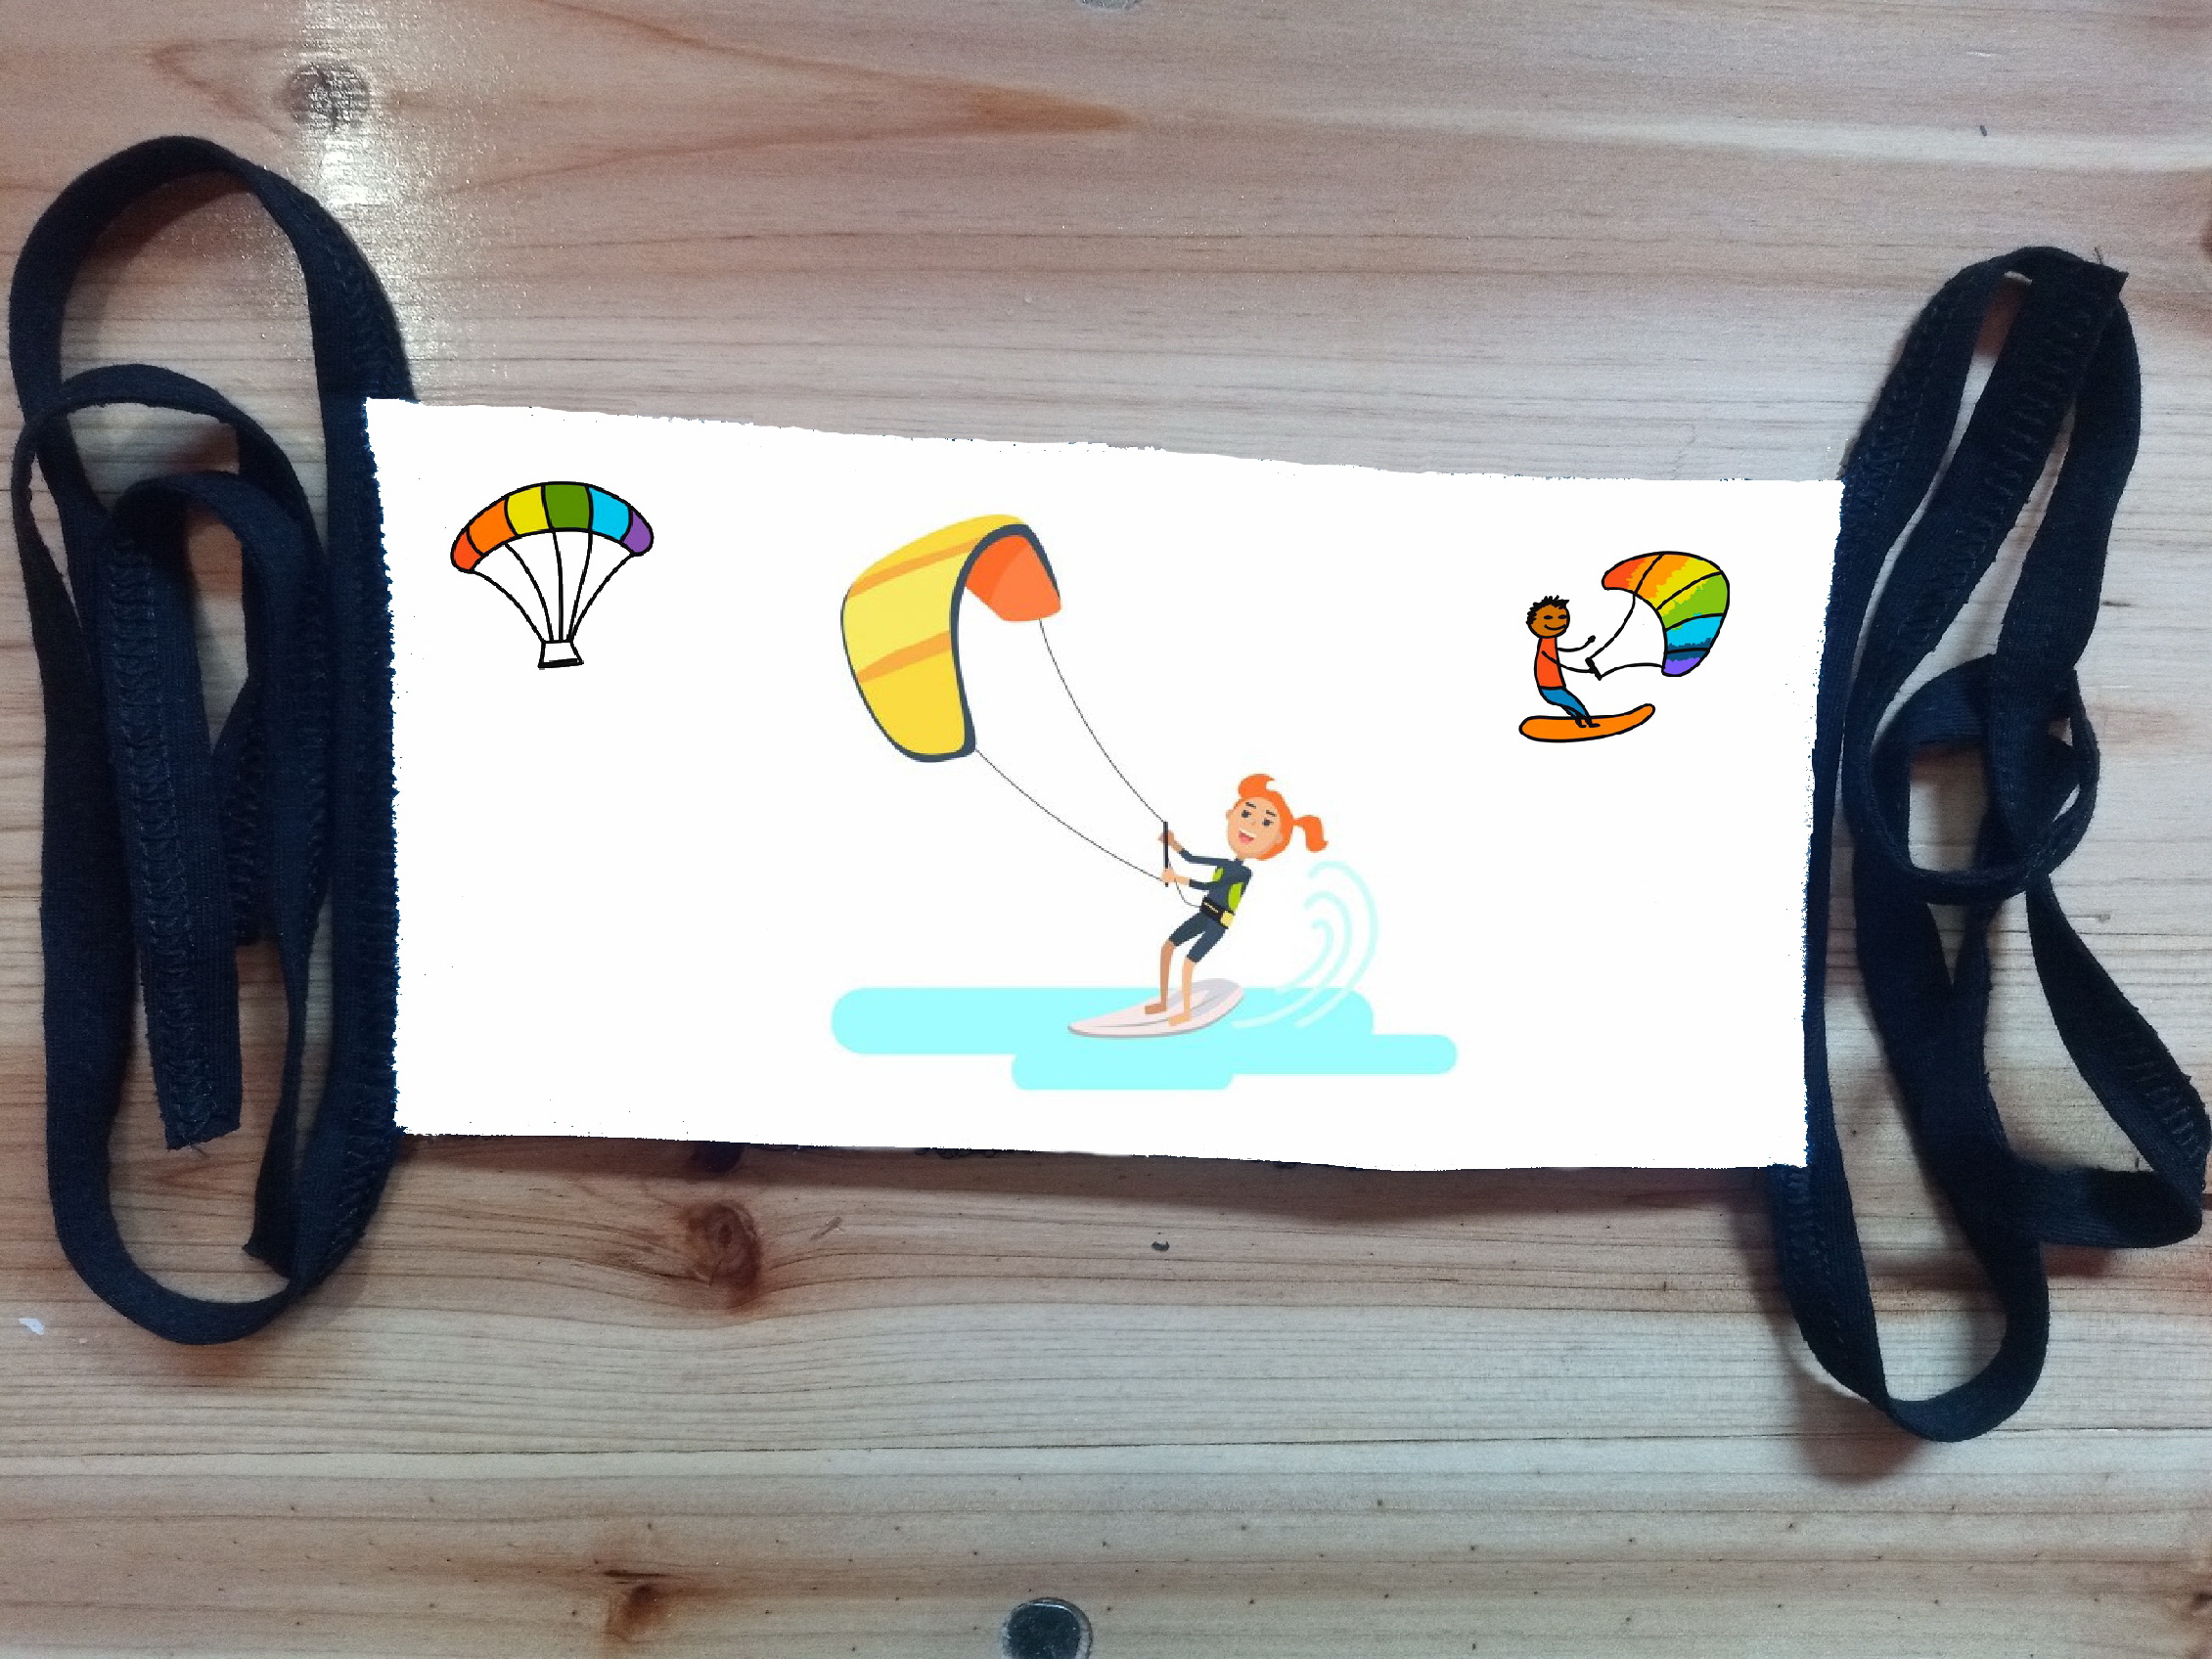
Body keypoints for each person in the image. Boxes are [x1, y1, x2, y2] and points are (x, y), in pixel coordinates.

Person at [1150, 774, 1327, 1025]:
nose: (1251, 824)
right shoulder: (1225, 863)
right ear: (1230, 815)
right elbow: (1191, 858)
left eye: (1266, 823)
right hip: (1204, 913)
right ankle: (1163, 1002)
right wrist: (1173, 844)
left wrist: (1177, 878)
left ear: (1277, 839)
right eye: (1246, 814)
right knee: (1168, 946)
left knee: (1188, 962)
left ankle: (1185, 1012)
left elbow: (1210, 886)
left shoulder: (1244, 873)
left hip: (1217, 923)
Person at [1526, 595, 1603, 727]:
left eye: (1562, 617)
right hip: (1551, 687)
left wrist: (1585, 645)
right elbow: (1559, 664)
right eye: (1548, 618)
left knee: (1569, 705)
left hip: (1553, 686)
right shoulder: (1545, 646)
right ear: (1533, 624)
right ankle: (1589, 723)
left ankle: (1579, 722)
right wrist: (1585, 671)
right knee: (1575, 704)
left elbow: (1565, 652)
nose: (1557, 622)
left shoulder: (1549, 643)